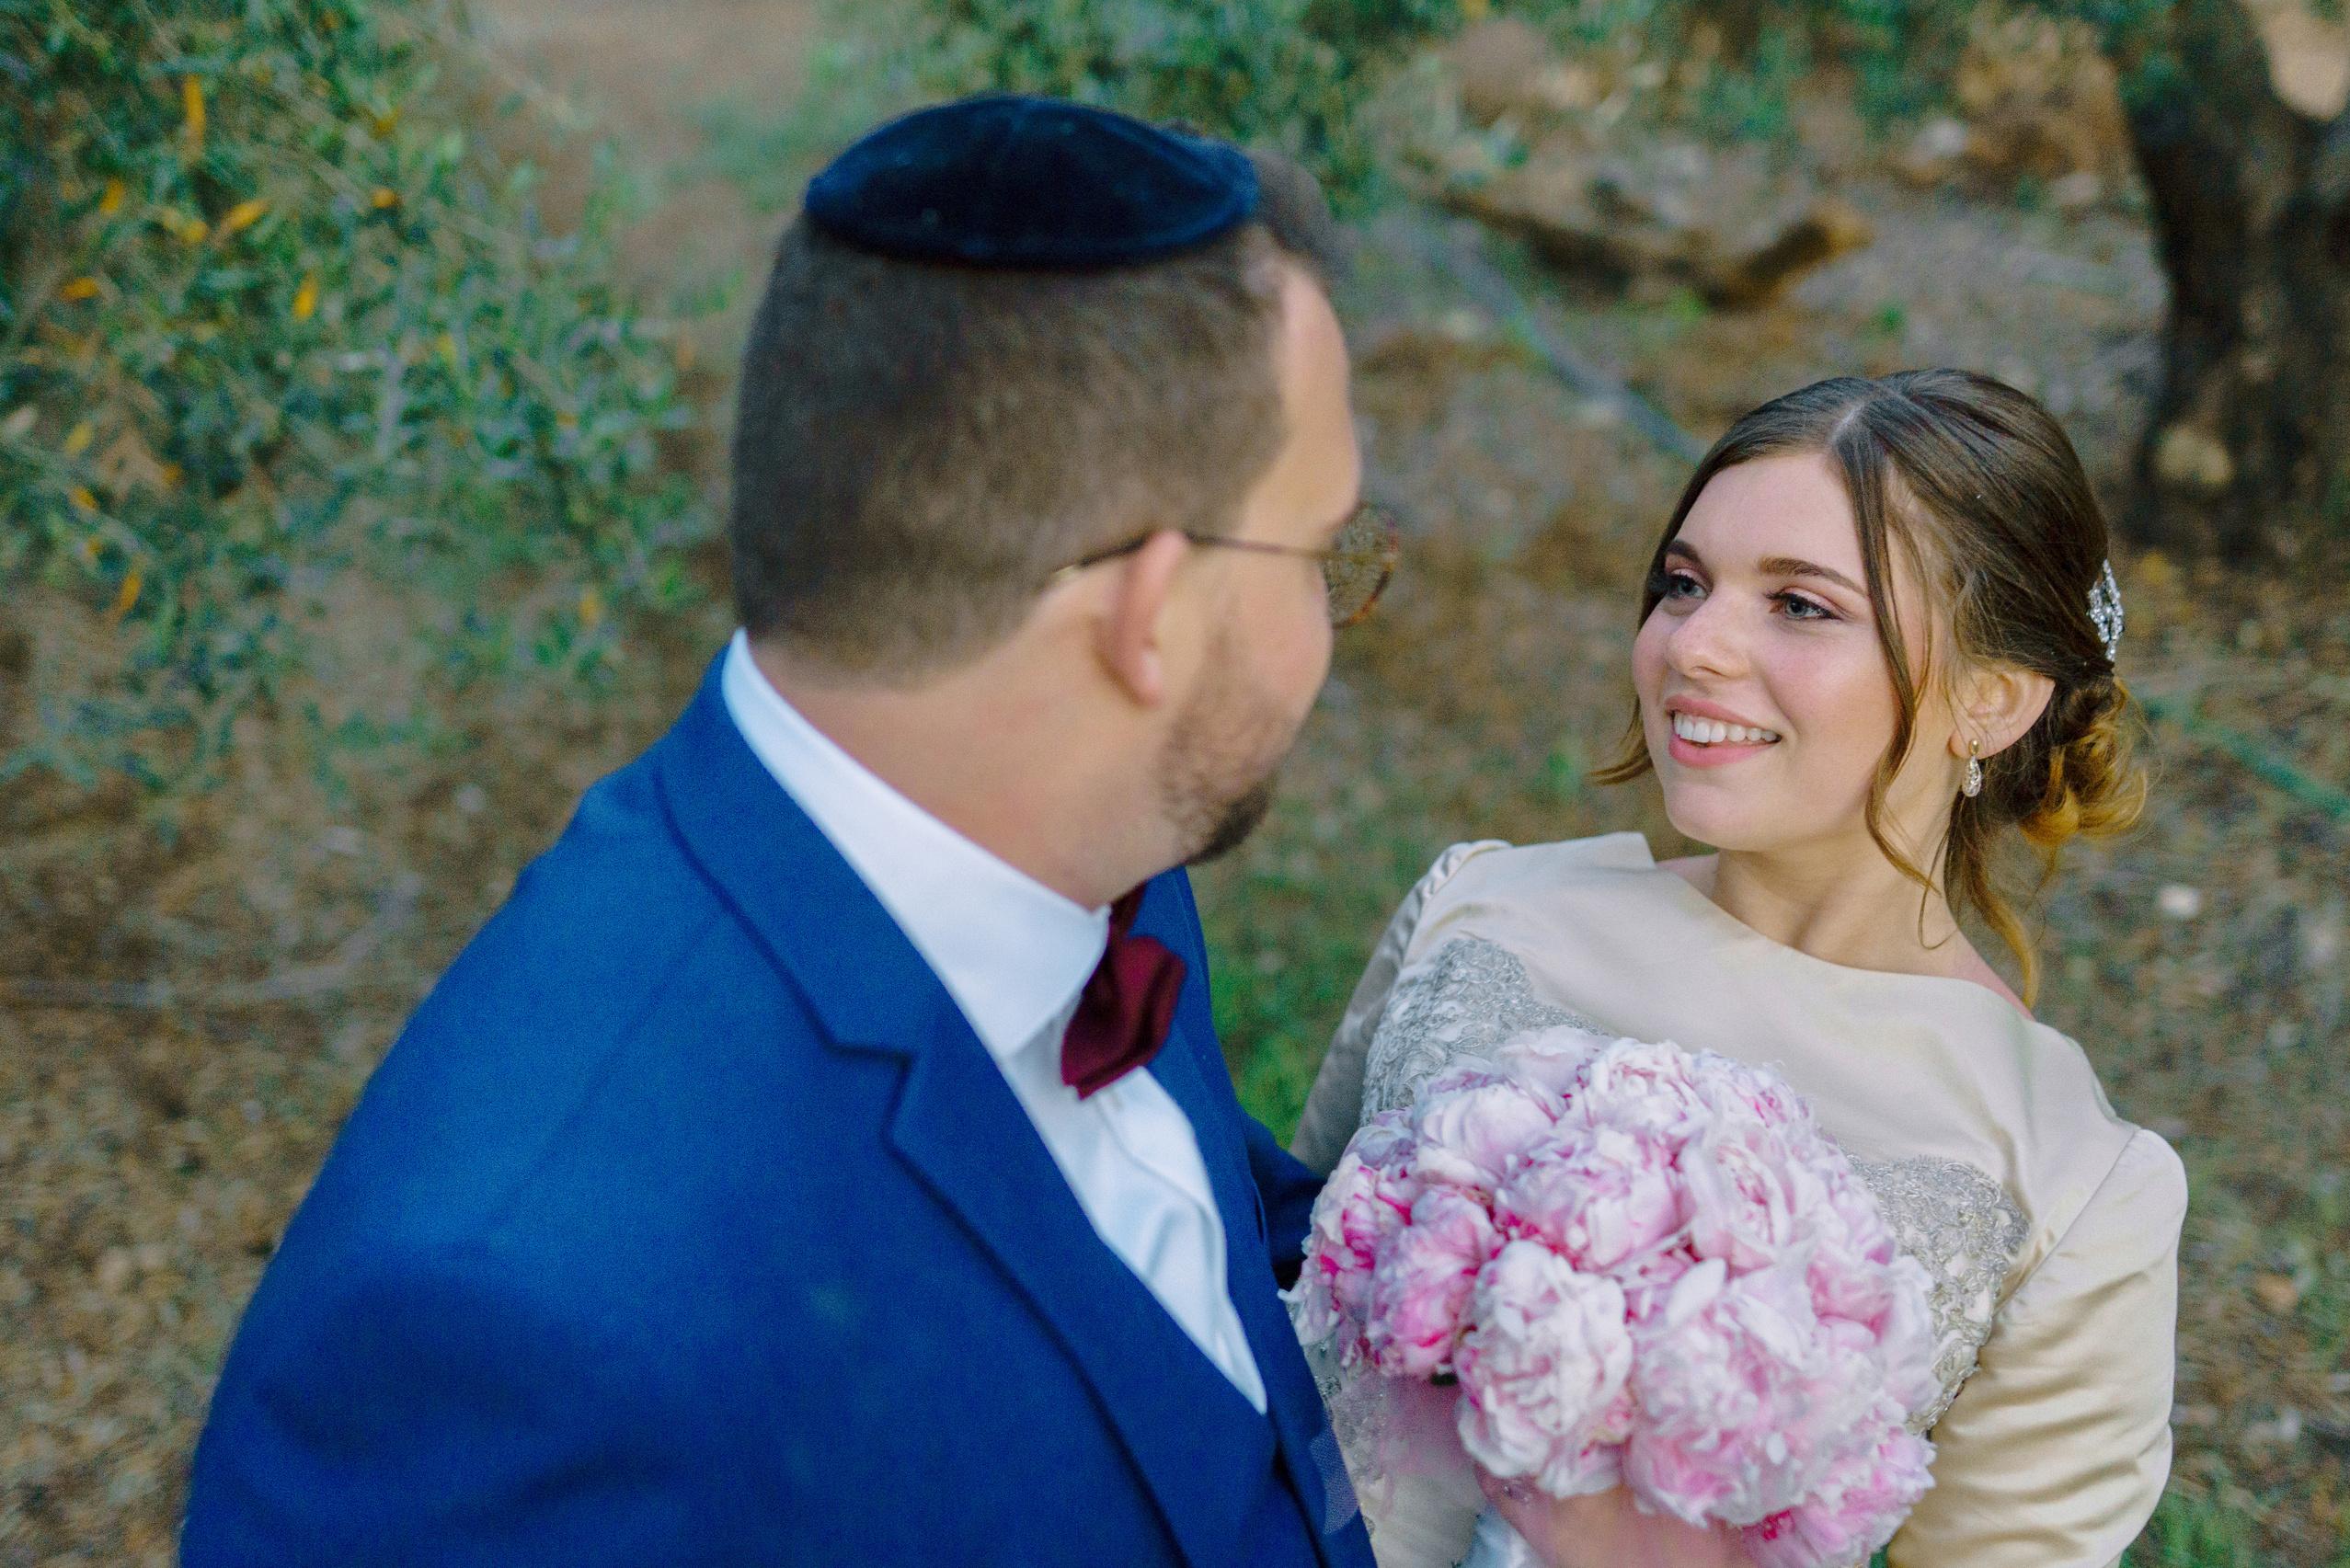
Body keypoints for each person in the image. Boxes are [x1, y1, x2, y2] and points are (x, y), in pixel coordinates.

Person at [181, 97, 1397, 1567]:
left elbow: (1188, 1257)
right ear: (1150, 617)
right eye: (1321, 551)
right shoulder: (511, 1335)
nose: (1334, 613)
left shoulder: (1092, 835)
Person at [1290, 371, 2184, 1568]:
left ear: (1992, 698)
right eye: (1683, 584)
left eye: (1802, 606)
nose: (1693, 646)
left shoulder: (2073, 1178)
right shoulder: (1482, 912)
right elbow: (1264, 1276)